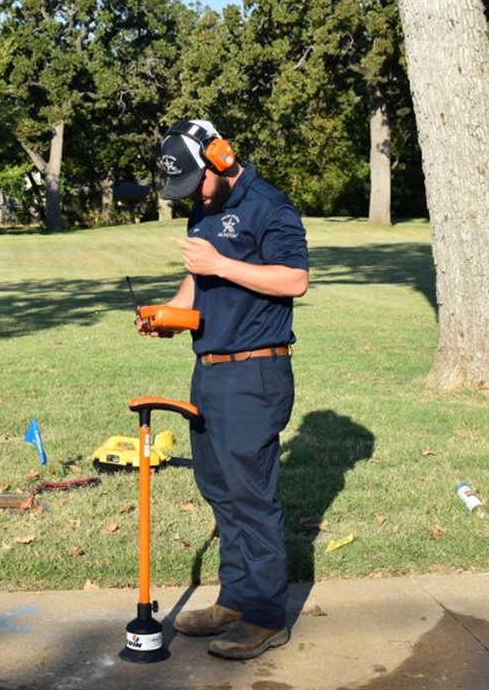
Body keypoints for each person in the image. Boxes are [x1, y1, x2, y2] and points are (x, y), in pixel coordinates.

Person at [144, 119, 309, 660]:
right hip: (209, 370)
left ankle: (265, 615)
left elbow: (294, 280)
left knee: (251, 496)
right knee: (219, 489)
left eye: (195, 181)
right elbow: (198, 281)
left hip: (255, 373)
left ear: (220, 158)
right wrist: (168, 316)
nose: (192, 194)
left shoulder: (270, 206)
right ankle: (234, 599)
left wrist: (222, 263)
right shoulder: (205, 210)